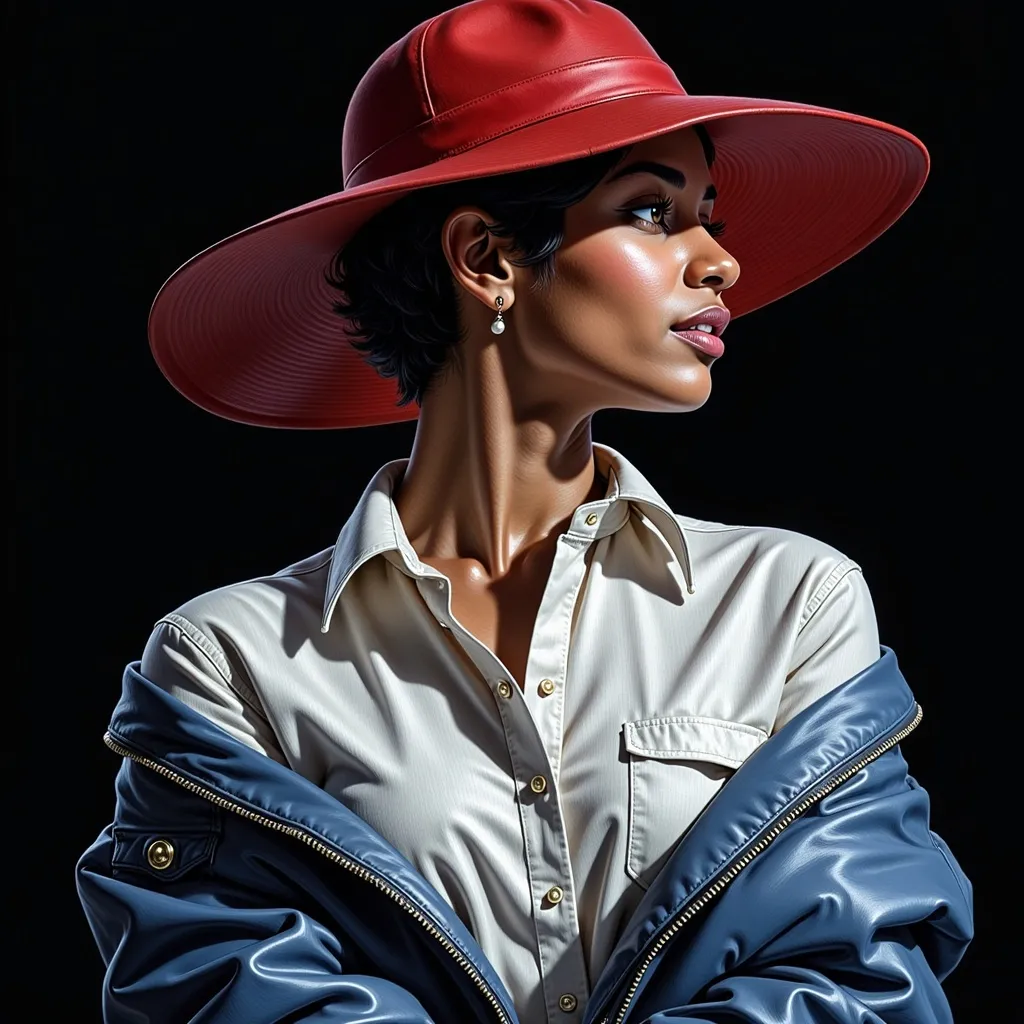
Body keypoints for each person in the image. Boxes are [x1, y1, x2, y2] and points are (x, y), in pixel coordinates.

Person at [76, 2, 973, 1022]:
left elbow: (855, 969)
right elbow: (226, 986)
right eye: (651, 211)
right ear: (488, 259)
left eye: (709, 214)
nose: (719, 261)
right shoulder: (229, 660)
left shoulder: (790, 600)